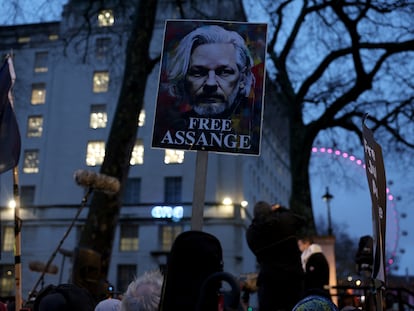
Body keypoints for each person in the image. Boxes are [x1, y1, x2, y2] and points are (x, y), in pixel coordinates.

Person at [152, 21, 266, 155]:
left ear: (243, 78)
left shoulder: (250, 130)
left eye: (224, 72)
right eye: (198, 72)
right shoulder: (170, 127)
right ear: (182, 79)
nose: (210, 84)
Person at [246, 201, 306, 311]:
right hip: (292, 280)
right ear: (271, 211)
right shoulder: (285, 221)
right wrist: (280, 209)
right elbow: (302, 220)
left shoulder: (251, 233)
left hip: (269, 282)